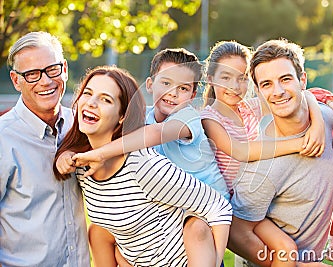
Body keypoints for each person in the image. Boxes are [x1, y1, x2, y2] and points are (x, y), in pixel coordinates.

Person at [56, 49, 229, 267]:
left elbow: (154, 134)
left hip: (204, 214)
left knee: (197, 229)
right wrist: (67, 153)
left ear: (192, 95)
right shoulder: (141, 118)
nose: (173, 93)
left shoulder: (187, 119)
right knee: (99, 232)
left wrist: (100, 153)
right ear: (150, 84)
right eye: (166, 83)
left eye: (183, 88)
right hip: (169, 211)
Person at [228, 39, 333, 266]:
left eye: (285, 79)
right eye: (267, 84)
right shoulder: (262, 164)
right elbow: (235, 232)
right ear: (259, 91)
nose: (278, 91)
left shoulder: (331, 120)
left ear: (303, 80)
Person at [0, 31, 89, 266]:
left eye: (52, 69)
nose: (45, 81)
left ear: (65, 69)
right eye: (31, 74)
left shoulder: (81, 126)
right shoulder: (3, 139)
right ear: (15, 80)